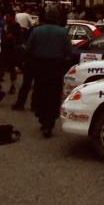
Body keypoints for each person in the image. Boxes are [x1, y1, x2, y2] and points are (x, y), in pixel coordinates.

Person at [25, 7, 72, 138]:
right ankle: (49, 121)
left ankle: (41, 116)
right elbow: (69, 52)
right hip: (56, 68)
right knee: (53, 95)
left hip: (40, 66)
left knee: (40, 92)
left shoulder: (37, 31)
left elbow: (28, 48)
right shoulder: (63, 32)